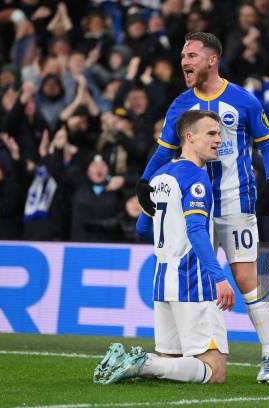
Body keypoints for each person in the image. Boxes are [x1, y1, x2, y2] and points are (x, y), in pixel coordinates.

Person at [135, 32, 269, 383]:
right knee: (192, 275)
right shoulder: (179, 105)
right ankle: (186, 353)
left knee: (245, 279)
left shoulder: (243, 100)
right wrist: (144, 182)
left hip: (235, 202)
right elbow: (162, 153)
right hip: (192, 203)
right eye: (182, 55)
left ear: (212, 59)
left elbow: (268, 145)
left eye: (192, 55)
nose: (184, 61)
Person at [95, 110, 235, 385]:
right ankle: (140, 363)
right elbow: (196, 230)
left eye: (219, 133)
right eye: (211, 133)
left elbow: (142, 228)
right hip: (193, 281)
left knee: (170, 363)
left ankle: (136, 363)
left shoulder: (159, 176)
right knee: (214, 371)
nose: (219, 139)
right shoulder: (196, 177)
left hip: (163, 281)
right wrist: (219, 277)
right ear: (189, 137)